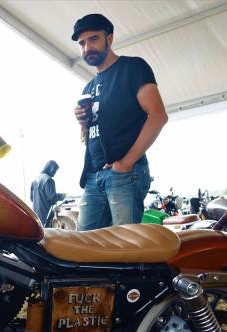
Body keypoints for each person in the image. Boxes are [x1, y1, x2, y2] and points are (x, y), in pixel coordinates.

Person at [71, 14, 168, 231]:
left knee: (125, 246)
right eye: (82, 43)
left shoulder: (132, 68)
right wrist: (82, 123)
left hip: (124, 172)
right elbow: (87, 137)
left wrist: (126, 163)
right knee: (83, 246)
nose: (87, 48)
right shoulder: (88, 88)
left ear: (109, 38)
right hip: (92, 176)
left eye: (93, 39)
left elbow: (158, 116)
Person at [30, 160, 64, 225]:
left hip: (35, 215)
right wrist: (63, 196)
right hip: (46, 216)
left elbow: (32, 198)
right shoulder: (49, 180)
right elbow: (52, 198)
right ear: (50, 168)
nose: (54, 173)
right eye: (55, 170)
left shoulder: (34, 180)